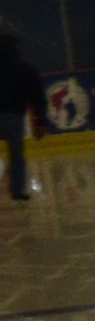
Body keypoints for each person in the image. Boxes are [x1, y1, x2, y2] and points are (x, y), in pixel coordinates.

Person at [0, 25, 41, 202]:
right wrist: (40, 120)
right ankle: (17, 191)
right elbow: (36, 94)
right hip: (14, 115)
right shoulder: (23, 66)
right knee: (16, 154)